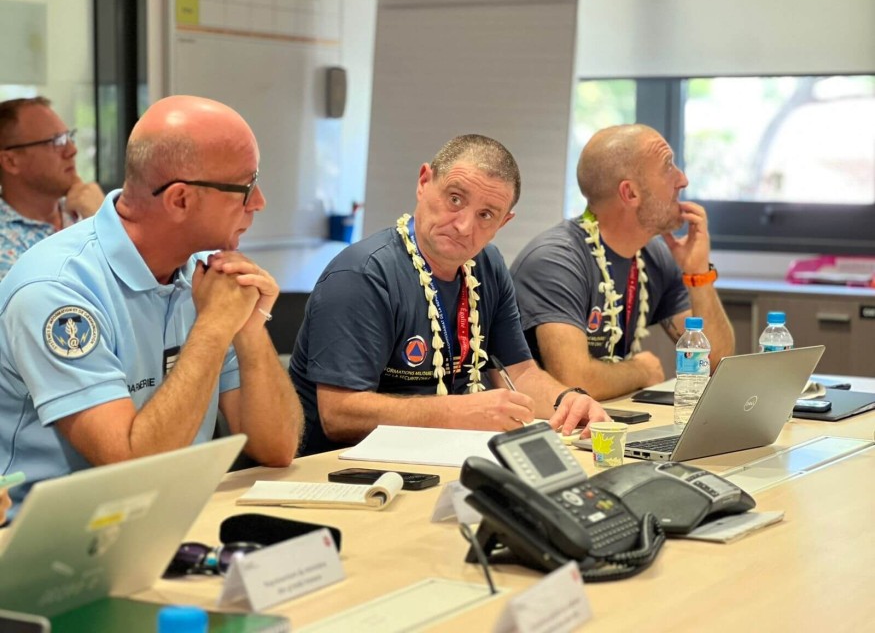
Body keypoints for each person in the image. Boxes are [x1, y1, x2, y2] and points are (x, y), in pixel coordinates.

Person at [0, 95, 302, 518]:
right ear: (179, 199)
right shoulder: (56, 288)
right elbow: (133, 468)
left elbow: (276, 447)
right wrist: (214, 328)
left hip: (169, 518)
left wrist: (248, 326)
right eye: (245, 187)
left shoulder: (206, 276)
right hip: (51, 538)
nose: (259, 202)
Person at [290, 134, 609, 456]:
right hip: (341, 468)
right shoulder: (363, 275)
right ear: (424, 182)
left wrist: (567, 402)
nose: (464, 226)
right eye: (455, 199)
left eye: (486, 215)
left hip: (441, 456)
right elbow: (339, 414)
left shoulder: (487, 265)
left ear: (503, 222)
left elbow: (520, 373)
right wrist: (457, 411)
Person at [511, 124, 735, 401]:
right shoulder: (555, 261)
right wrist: (641, 370)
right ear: (630, 193)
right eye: (668, 166)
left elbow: (715, 362)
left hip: (607, 416)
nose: (683, 179)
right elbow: (574, 381)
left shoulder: (653, 255)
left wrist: (698, 273)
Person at [0, 96, 106, 280]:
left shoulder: (84, 211)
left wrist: (102, 217)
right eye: (56, 141)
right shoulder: (4, 242)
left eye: (69, 137)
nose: (72, 150)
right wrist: (104, 223)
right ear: (11, 161)